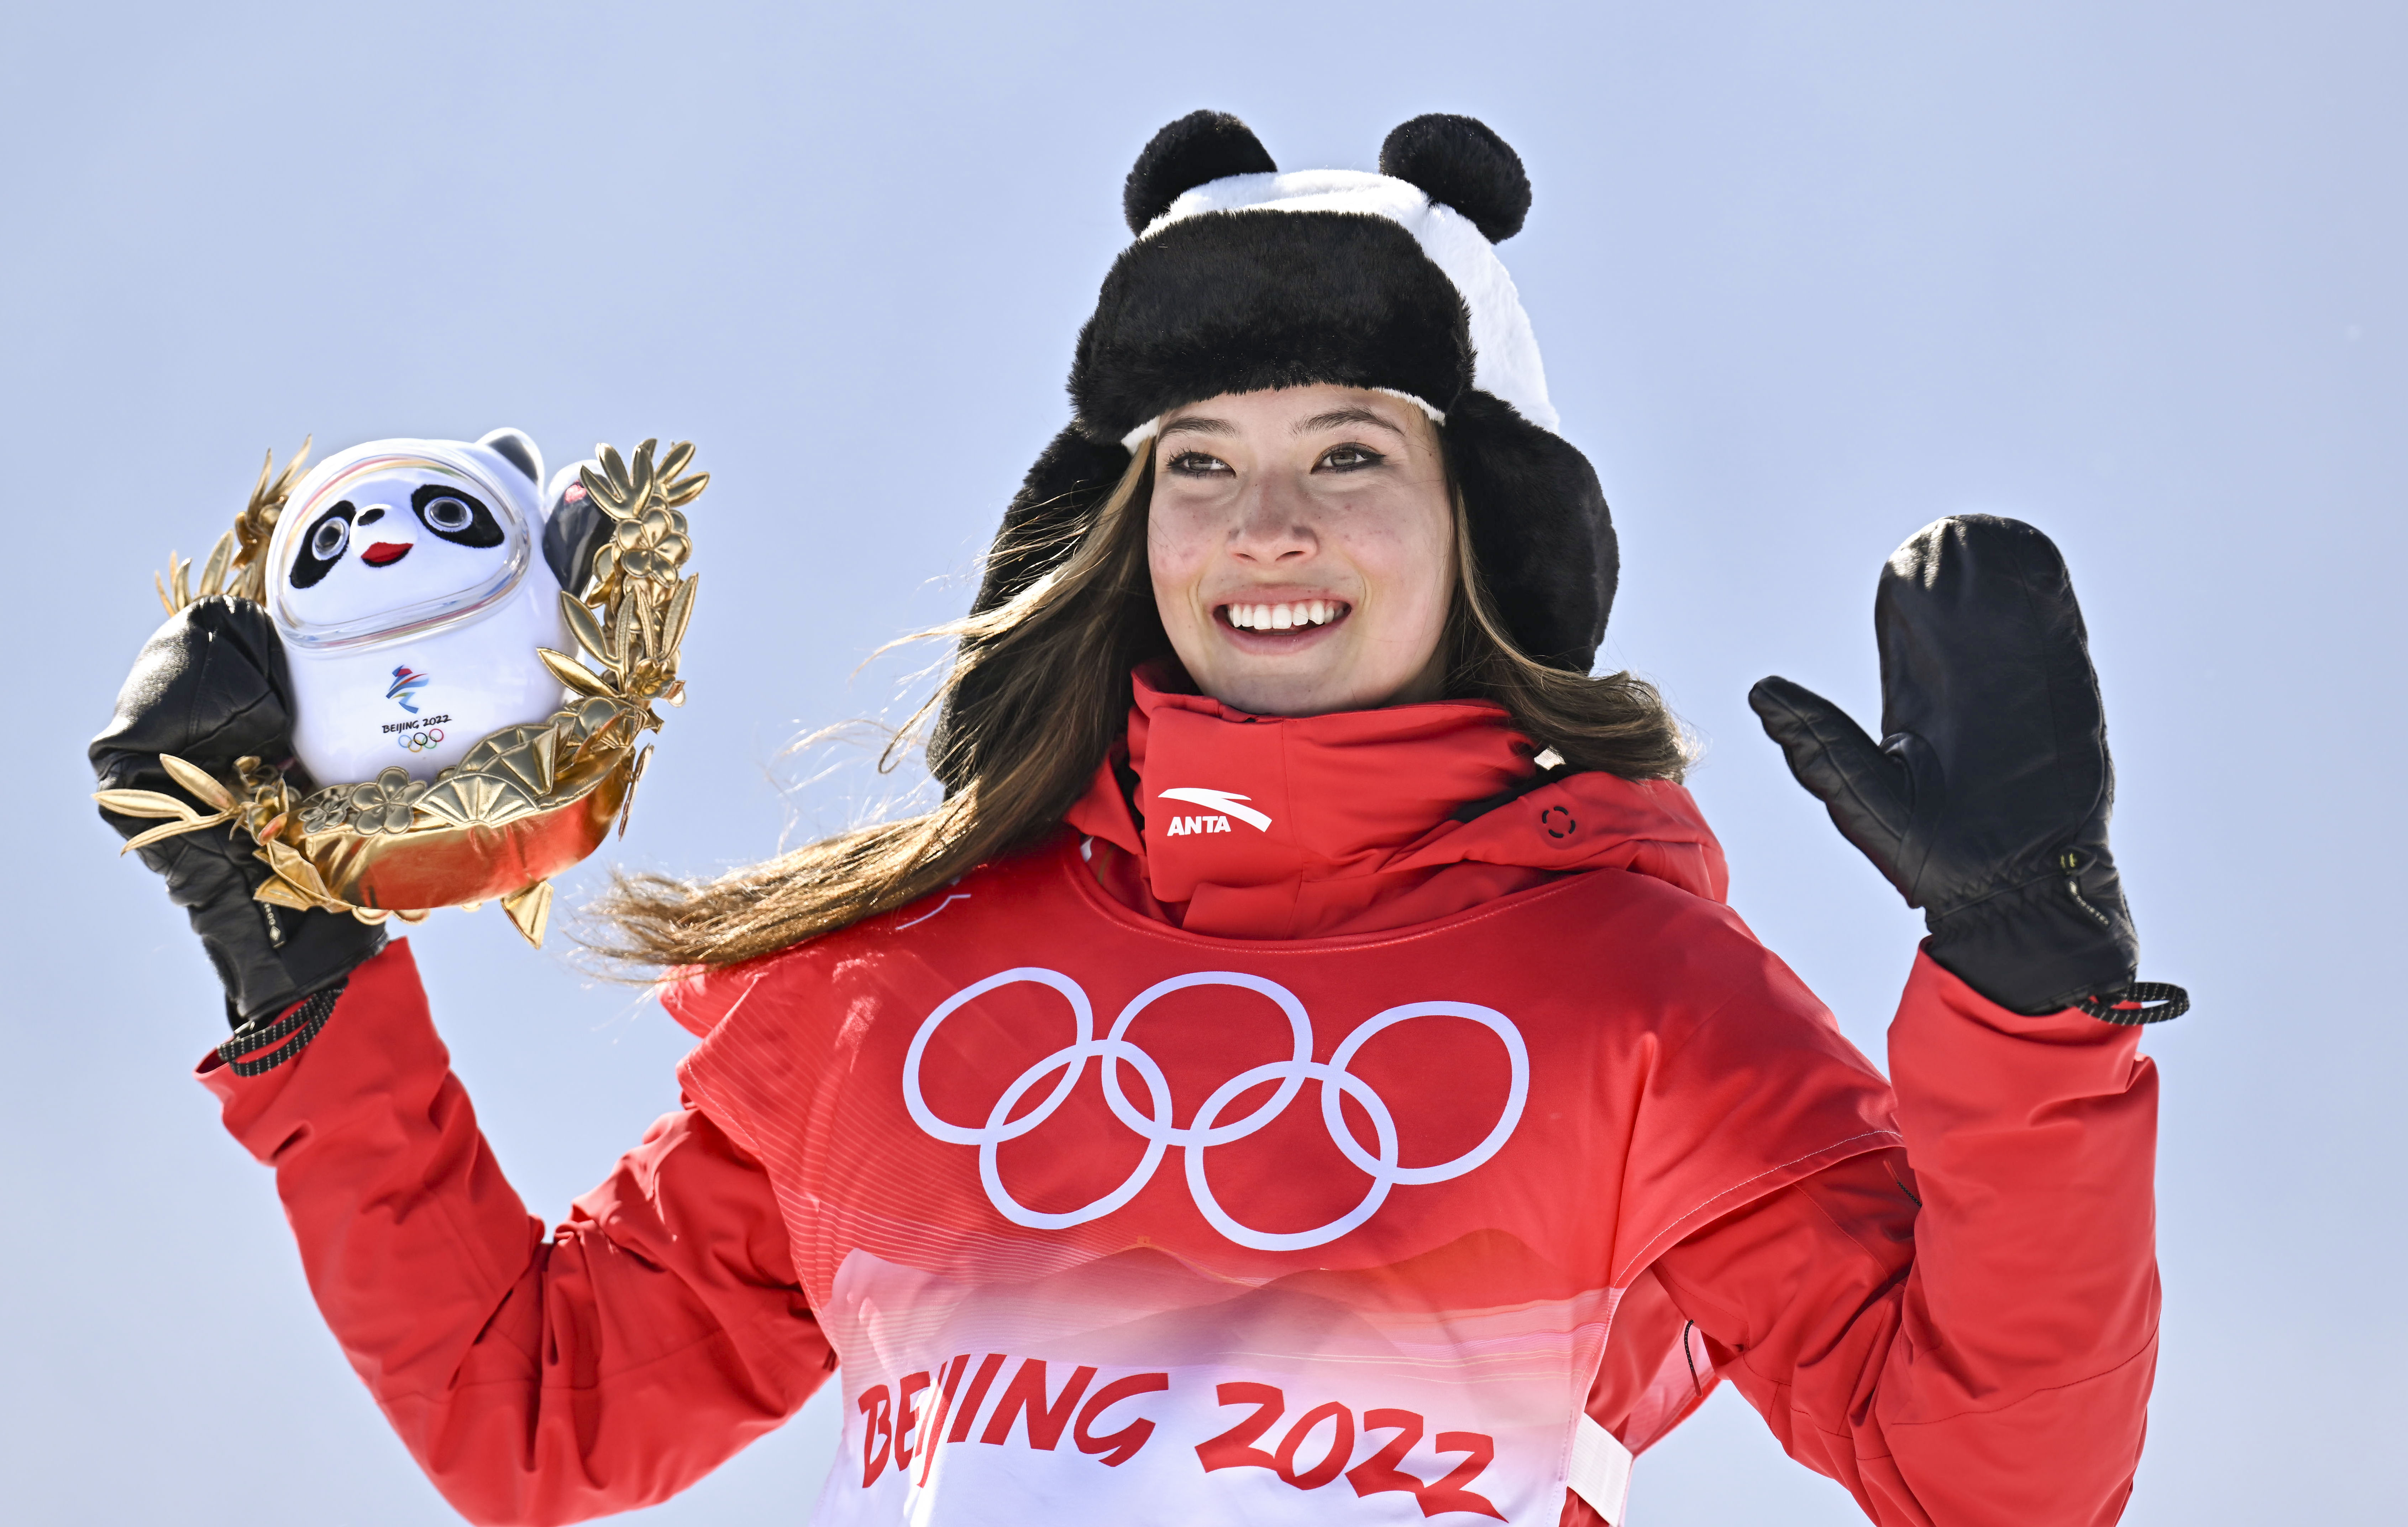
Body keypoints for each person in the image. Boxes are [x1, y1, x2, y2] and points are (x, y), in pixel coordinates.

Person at [93, 112, 2183, 1527]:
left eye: (1354, 451)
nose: (1265, 525)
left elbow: (1995, 1474)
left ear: (1487, 532)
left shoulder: (1636, 999)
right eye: (1199, 460)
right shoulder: (893, 981)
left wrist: (2028, 995)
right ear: (1126, 521)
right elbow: (536, 1409)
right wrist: (296, 966)